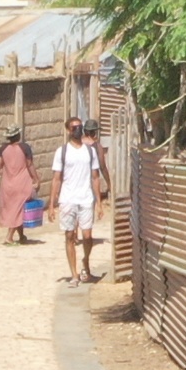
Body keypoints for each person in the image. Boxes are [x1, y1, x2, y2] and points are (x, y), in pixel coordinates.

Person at [52, 118, 109, 284]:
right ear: (69, 130)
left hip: (86, 198)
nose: (78, 130)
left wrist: (99, 203)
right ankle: (74, 274)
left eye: (80, 127)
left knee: (87, 235)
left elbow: (95, 177)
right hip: (68, 199)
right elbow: (56, 179)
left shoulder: (90, 152)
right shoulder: (61, 152)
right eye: (74, 127)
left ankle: (86, 260)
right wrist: (51, 204)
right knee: (69, 235)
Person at [0, 131, 37, 246]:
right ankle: (9, 237)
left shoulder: (3, 149)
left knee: (17, 209)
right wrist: (36, 178)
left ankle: (22, 236)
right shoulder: (25, 148)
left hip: (7, 184)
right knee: (17, 210)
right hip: (22, 183)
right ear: (18, 136)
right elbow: (30, 164)